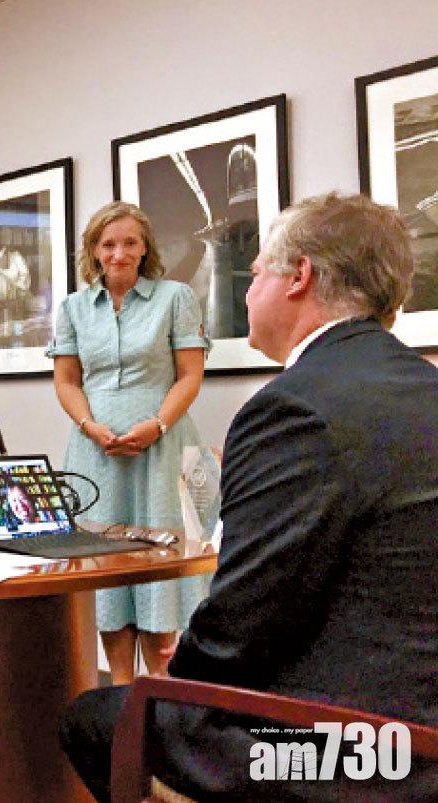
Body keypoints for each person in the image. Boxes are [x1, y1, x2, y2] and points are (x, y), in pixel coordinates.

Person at [60, 192, 438, 801]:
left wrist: (175, 683)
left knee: (96, 717)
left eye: (257, 272)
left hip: (356, 753)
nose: (246, 291)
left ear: (300, 276)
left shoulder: (293, 408)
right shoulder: (421, 385)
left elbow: (240, 623)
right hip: (413, 719)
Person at [46, 201, 210, 683]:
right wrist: (88, 425)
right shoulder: (73, 308)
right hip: (94, 454)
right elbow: (67, 382)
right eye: (108, 244)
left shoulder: (176, 298)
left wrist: (156, 425)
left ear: (145, 248)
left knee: (161, 565)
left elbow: (189, 375)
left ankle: (159, 687)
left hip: (161, 450)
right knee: (103, 567)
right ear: (94, 251)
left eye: (129, 243)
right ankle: (120, 688)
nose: (119, 253)